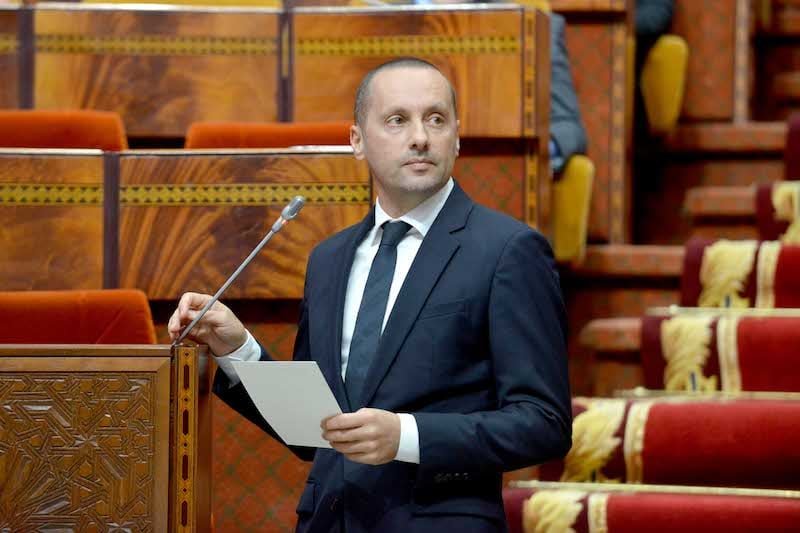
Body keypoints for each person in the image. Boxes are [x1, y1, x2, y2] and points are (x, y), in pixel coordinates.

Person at [169, 58, 571, 533]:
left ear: (457, 137)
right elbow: (314, 429)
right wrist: (239, 349)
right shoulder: (329, 259)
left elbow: (544, 423)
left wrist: (406, 436)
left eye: (436, 119)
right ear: (357, 140)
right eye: (397, 120)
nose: (420, 137)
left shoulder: (507, 251)